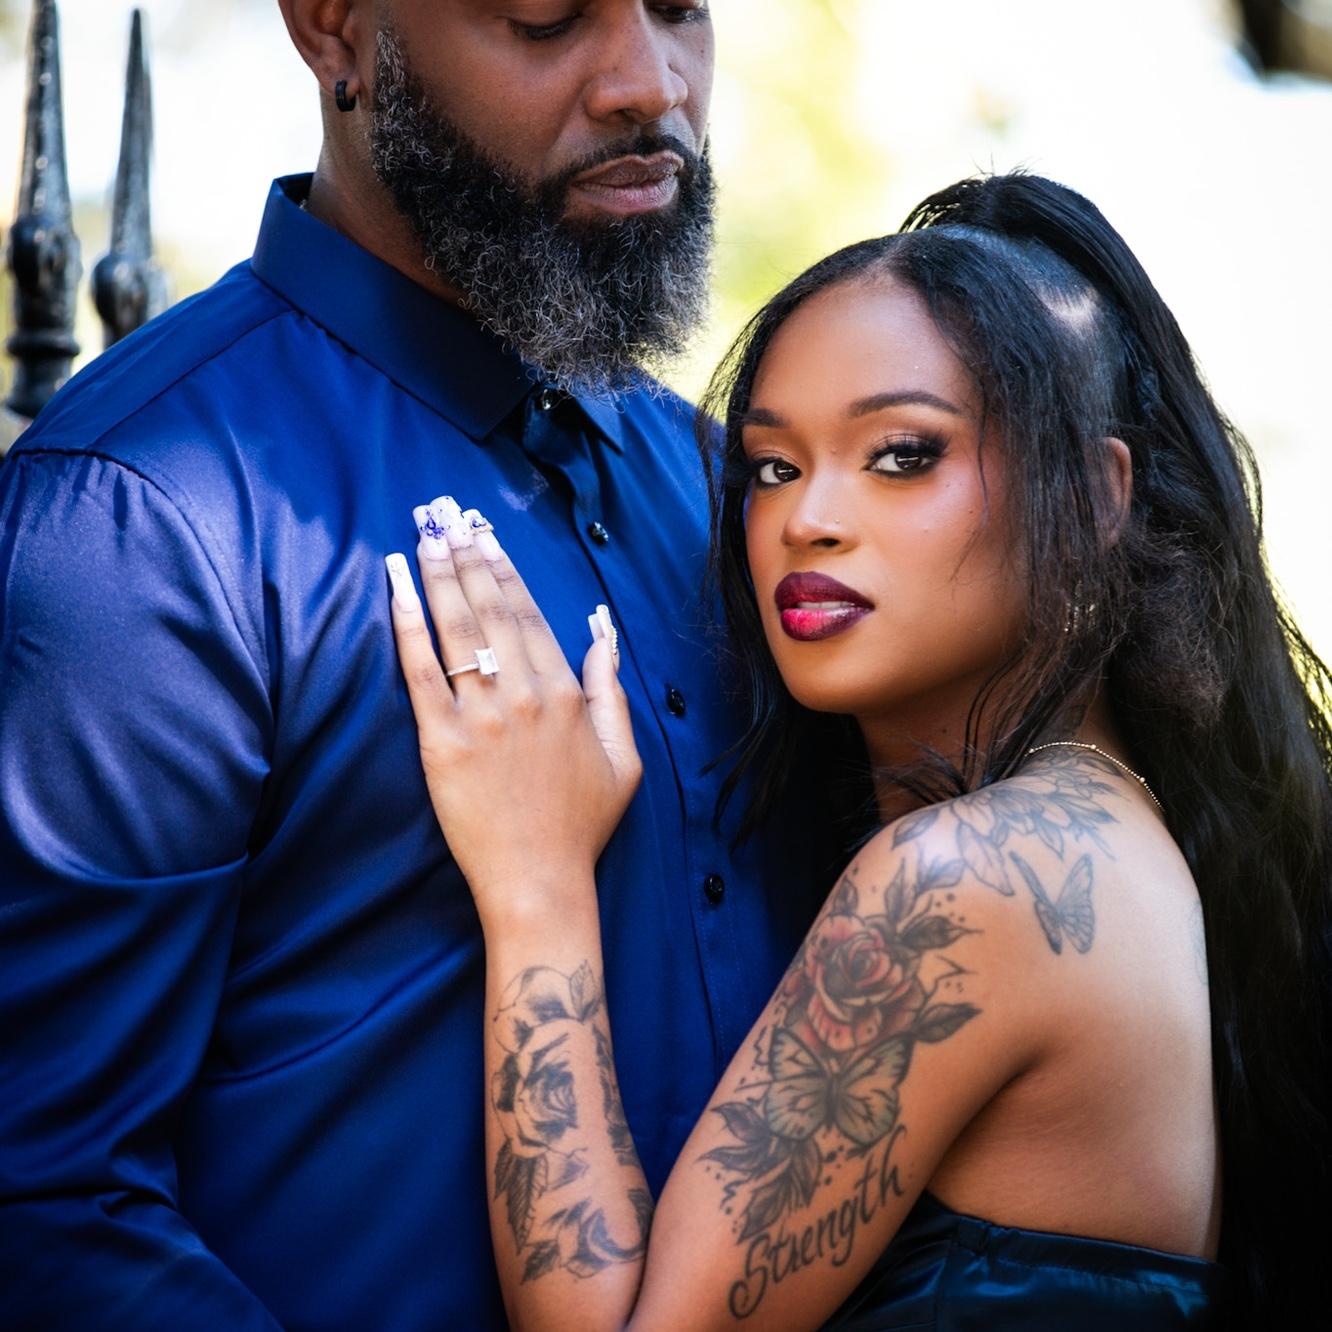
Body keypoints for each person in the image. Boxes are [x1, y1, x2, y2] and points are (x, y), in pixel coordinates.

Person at [389, 172, 1332, 1328]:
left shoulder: (972, 879)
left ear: (1097, 494)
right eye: (772, 467)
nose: (808, 519)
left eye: (901, 454)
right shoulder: (1117, 836)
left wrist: (536, 887)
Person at [0, 3, 821, 1328]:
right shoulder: (147, 517)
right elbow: (44, 1201)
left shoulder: (732, 488)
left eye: (681, 7)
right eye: (547, 17)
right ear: (335, 29)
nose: (646, 80)